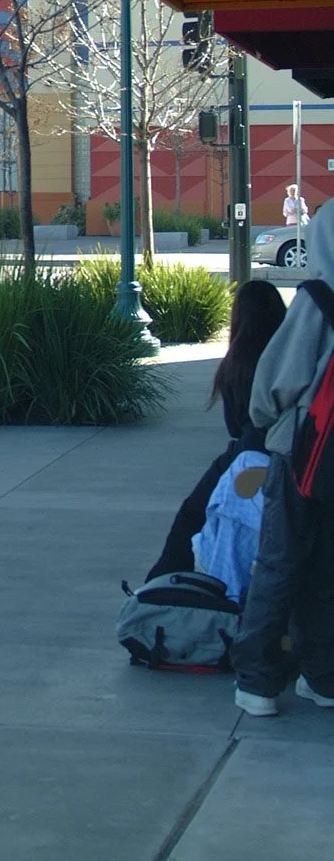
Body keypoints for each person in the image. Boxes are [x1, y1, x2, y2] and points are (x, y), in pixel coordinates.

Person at [232, 198, 334, 716]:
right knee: (326, 569)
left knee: (279, 562)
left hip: (304, 451)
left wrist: (262, 424)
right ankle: (323, 675)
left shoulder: (318, 298)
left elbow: (277, 381)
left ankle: (257, 680)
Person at [146, 280, 285, 580]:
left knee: (192, 514)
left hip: (250, 449)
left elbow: (233, 426)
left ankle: (161, 585)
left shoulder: (237, 361)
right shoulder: (293, 354)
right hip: (293, 449)